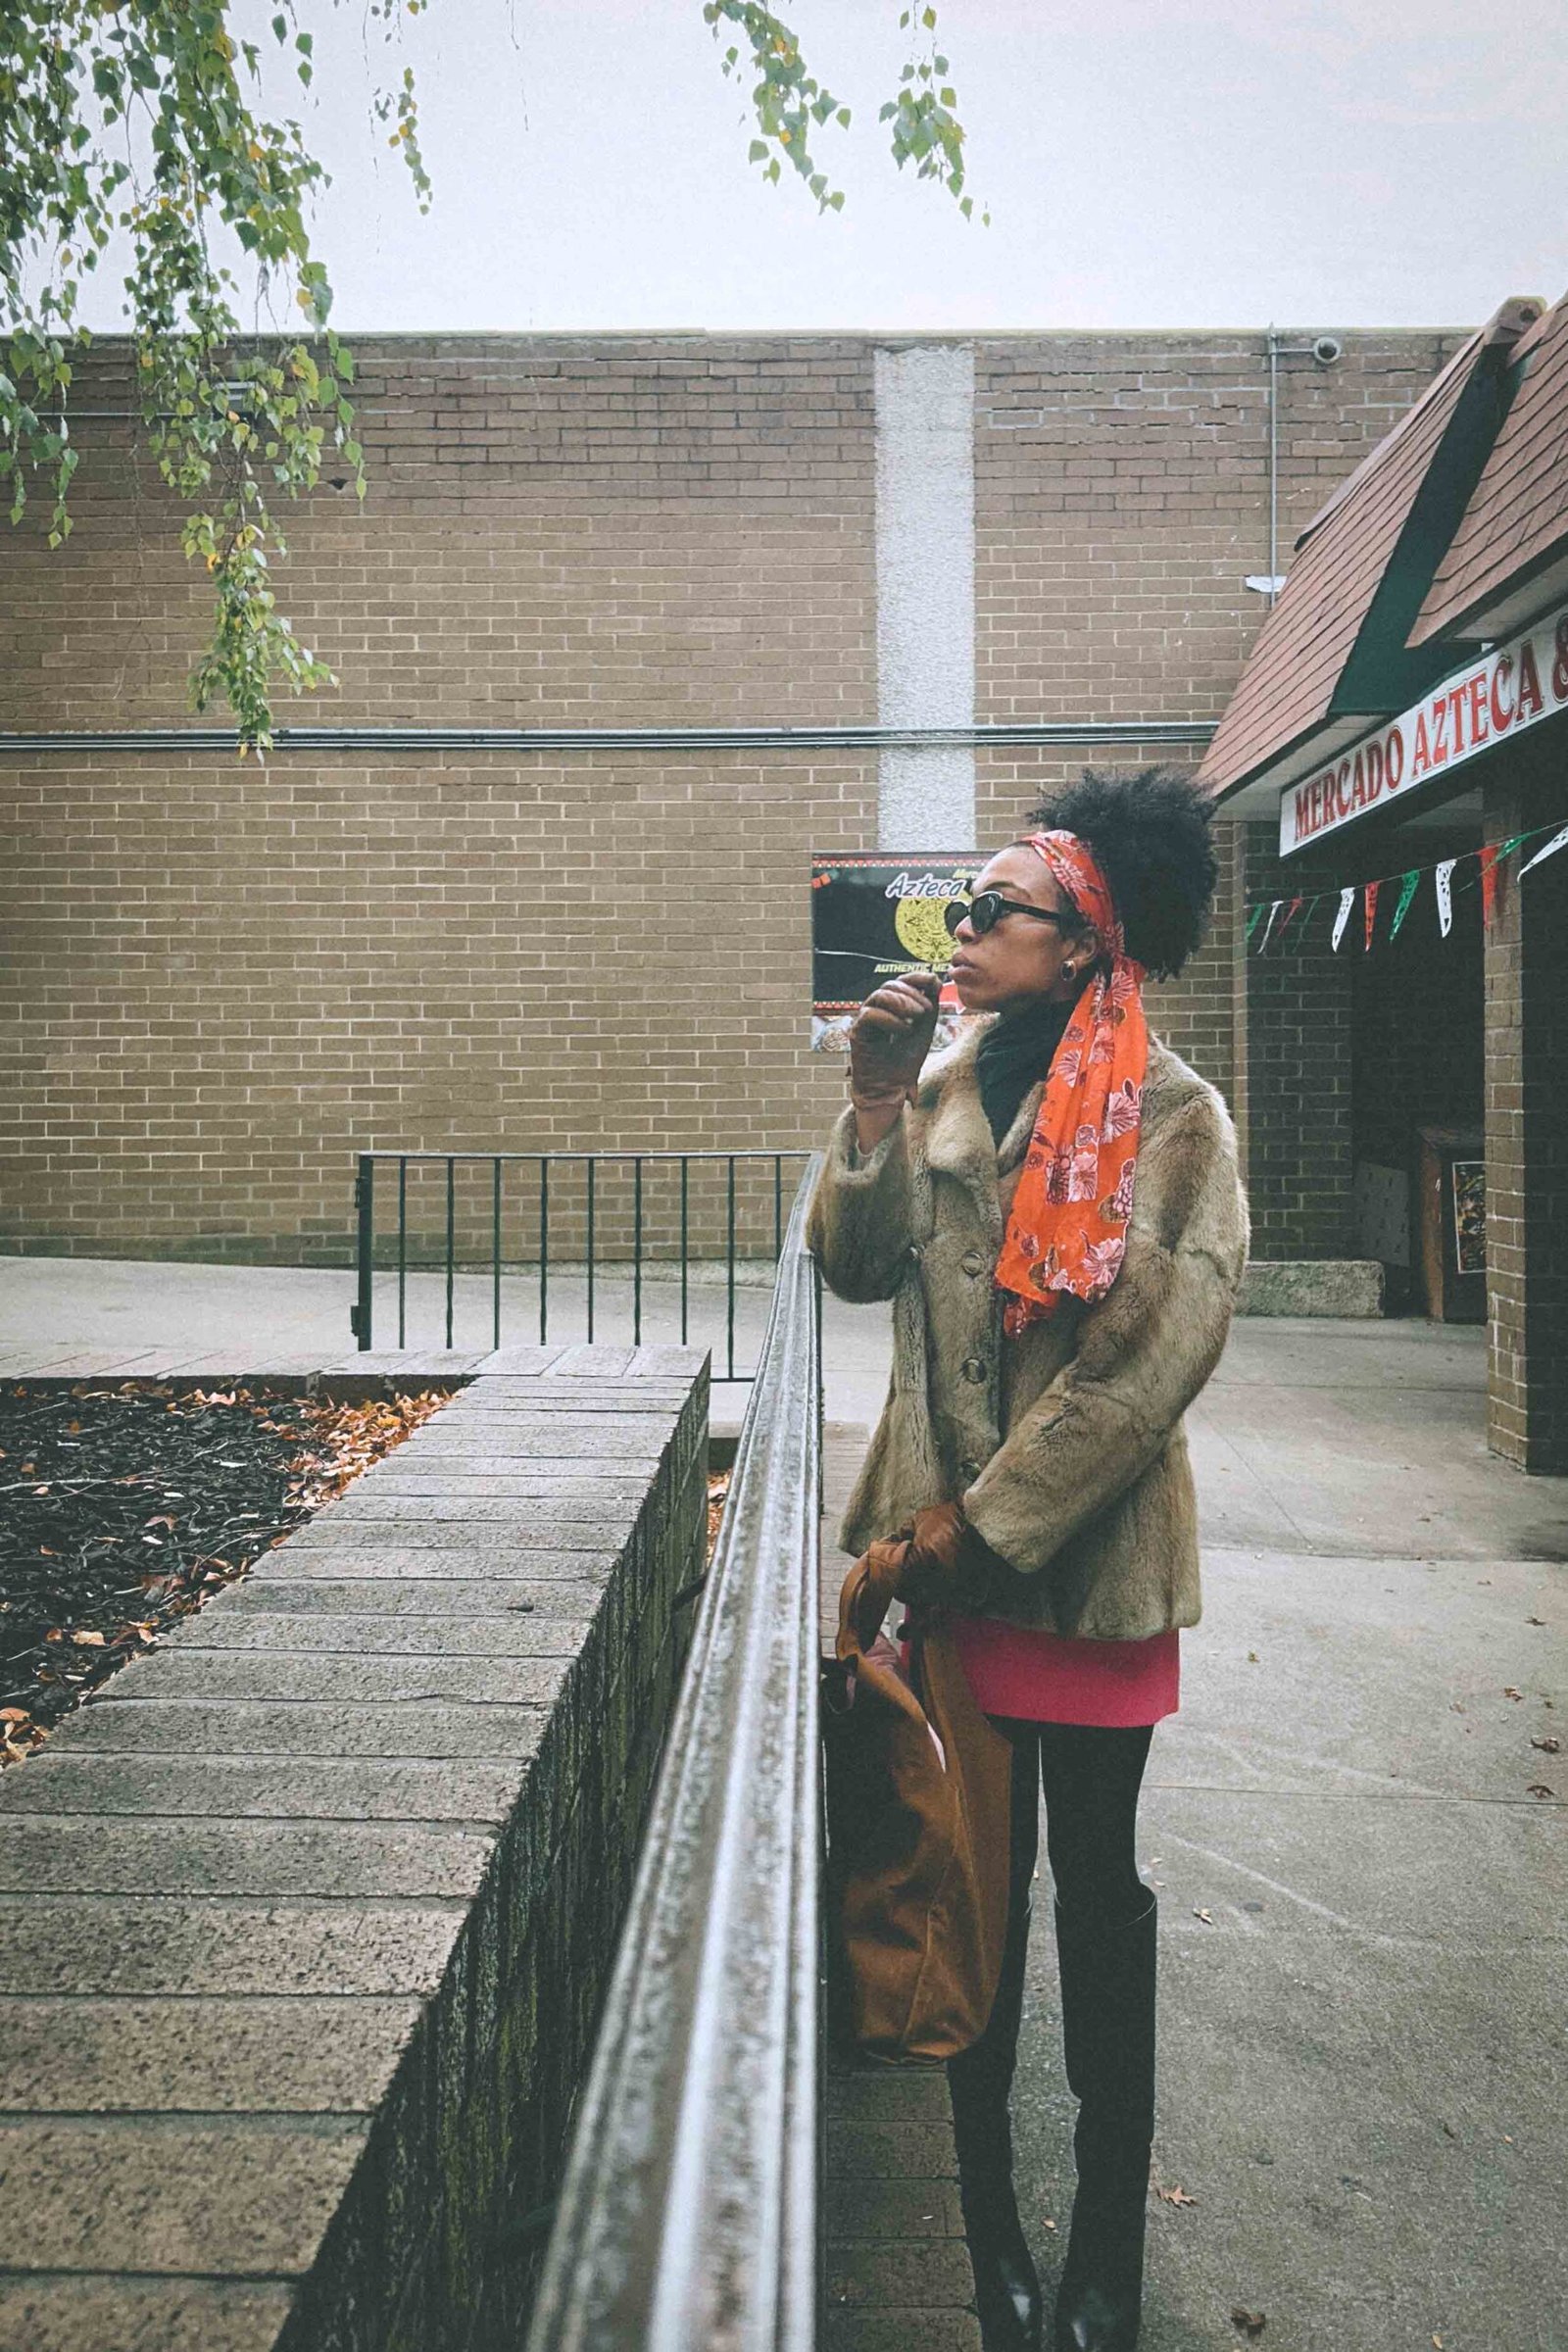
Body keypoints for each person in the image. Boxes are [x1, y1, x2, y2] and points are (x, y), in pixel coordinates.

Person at [808, 767, 1249, 2352]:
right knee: (974, 1899)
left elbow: (1148, 1366)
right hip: (955, 1586)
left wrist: (985, 1527)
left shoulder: (1176, 1117)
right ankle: (989, 2228)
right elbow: (854, 1266)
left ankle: (1104, 2258)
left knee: (1098, 1898)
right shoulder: (945, 1089)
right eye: (964, 905)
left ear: (1082, 942)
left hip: (1087, 1573)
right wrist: (872, 1102)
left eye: (999, 908)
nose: (967, 927)